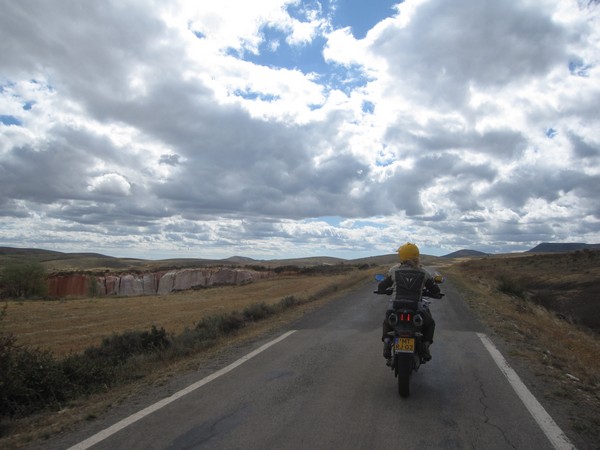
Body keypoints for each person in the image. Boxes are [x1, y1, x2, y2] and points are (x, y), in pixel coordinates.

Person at [378, 242, 440, 362]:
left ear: (402, 256)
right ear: (417, 256)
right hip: (416, 307)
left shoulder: (394, 270)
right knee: (430, 323)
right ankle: (425, 347)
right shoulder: (423, 272)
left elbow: (382, 286)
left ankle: (386, 342)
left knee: (387, 322)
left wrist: (382, 290)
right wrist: (435, 293)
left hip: (396, 306)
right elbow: (435, 290)